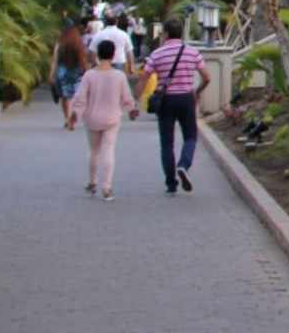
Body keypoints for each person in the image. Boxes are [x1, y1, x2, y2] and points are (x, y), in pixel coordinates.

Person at [143, 20, 207, 195]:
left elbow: (144, 77)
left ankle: (171, 183)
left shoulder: (157, 54)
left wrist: (135, 101)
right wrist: (197, 91)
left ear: (165, 33)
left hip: (166, 101)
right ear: (182, 33)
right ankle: (183, 165)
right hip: (186, 98)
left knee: (167, 143)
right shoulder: (192, 52)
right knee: (191, 136)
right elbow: (207, 77)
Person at [73, 37, 137, 200]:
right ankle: (107, 188)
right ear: (113, 55)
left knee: (94, 151)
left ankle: (92, 182)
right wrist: (131, 109)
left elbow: (80, 98)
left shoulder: (89, 75)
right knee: (108, 150)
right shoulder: (119, 76)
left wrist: (75, 114)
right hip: (112, 118)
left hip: (92, 118)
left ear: (97, 55)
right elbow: (127, 97)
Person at [50, 25, 87, 128]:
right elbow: (83, 60)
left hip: (63, 72)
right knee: (77, 96)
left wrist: (51, 74)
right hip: (77, 72)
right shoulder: (79, 44)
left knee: (65, 96)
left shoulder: (59, 44)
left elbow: (55, 60)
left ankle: (67, 118)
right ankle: (74, 115)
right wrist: (86, 71)